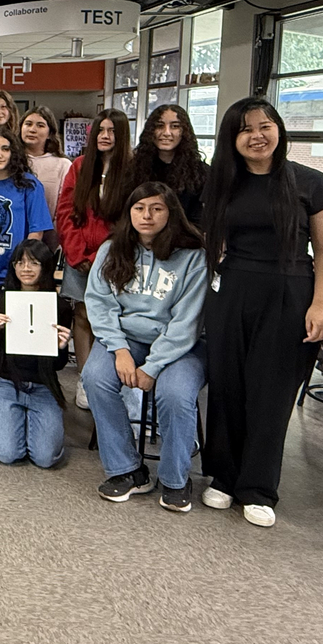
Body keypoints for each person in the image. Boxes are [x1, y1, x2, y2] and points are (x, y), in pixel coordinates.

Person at [201, 97, 323, 528]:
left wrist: (322, 303)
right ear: (232, 139)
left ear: (279, 130)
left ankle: (258, 488)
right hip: (231, 292)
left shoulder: (310, 182)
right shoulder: (224, 182)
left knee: (272, 393)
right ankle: (224, 477)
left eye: (265, 126)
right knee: (227, 386)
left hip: (289, 293)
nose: (256, 136)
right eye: (245, 130)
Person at [83, 182, 208, 511]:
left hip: (180, 346)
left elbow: (188, 321)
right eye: (139, 208)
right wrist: (120, 350)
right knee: (95, 377)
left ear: (171, 213)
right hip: (126, 339)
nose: (147, 216)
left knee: (175, 393)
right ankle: (127, 469)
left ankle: (175, 479)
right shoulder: (112, 249)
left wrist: (152, 367)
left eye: (156, 208)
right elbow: (99, 304)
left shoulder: (193, 255)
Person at [56, 108, 132, 408]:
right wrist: (78, 254)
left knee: (116, 319)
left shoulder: (132, 170)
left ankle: (114, 379)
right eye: (100, 130)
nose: (105, 136)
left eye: (112, 131)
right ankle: (86, 379)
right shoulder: (79, 166)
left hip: (117, 259)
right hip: (80, 259)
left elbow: (131, 218)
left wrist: (108, 257)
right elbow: (65, 211)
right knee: (83, 315)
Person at [0, 239, 73, 469]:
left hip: (43, 384)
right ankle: (2, 421)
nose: (26, 268)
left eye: (34, 262)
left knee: (46, 457)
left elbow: (59, 365)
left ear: (45, 266)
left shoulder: (59, 306)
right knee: (7, 452)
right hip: (6, 381)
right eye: (20, 262)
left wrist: (61, 347)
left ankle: (22, 421)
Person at [0, 126, 54, 307]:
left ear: (14, 152)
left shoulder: (29, 185)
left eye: (5, 149)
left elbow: (36, 233)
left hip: (13, 275)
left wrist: (24, 269)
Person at [131, 104, 209, 225]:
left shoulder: (200, 173)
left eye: (175, 126)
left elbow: (200, 219)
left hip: (185, 234)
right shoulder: (134, 169)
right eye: (160, 126)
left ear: (184, 132)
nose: (166, 133)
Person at [20, 105, 74, 217]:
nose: (32, 130)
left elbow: (66, 207)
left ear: (50, 133)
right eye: (28, 124)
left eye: (40, 125)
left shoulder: (63, 165)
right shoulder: (9, 161)